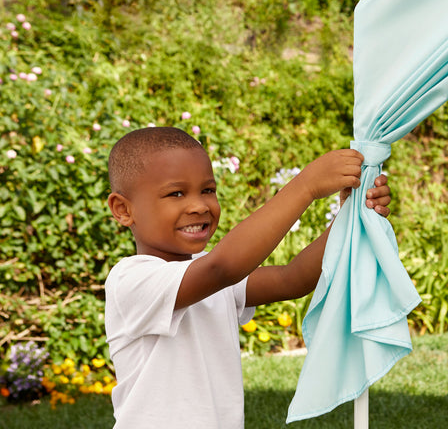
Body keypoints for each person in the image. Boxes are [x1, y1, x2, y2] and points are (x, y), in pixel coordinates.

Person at [105, 126, 391, 429]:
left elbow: (292, 280)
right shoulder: (131, 280)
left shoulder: (210, 274)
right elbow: (223, 266)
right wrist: (305, 186)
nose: (199, 205)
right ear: (123, 210)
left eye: (208, 190)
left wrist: (350, 217)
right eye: (176, 193)